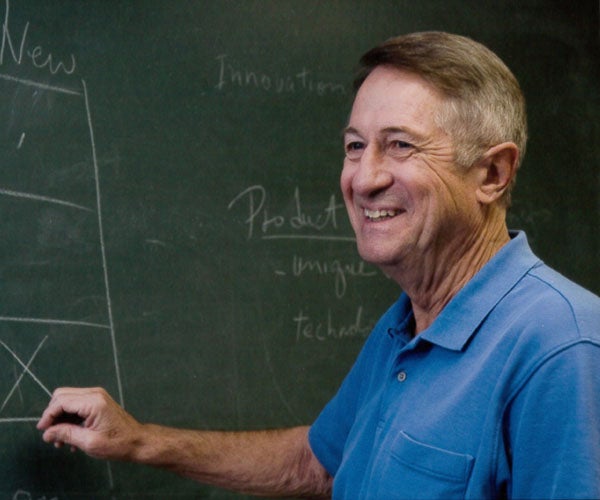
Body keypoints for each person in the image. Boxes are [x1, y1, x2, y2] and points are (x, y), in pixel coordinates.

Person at [38, 31, 600, 499]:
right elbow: (322, 464)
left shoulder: (561, 348)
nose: (364, 177)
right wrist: (140, 441)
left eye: (400, 145)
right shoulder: (405, 327)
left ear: (492, 174)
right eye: (355, 146)